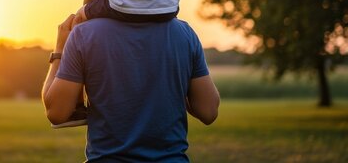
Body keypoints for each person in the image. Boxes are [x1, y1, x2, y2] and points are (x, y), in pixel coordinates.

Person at [42, 14, 220, 162]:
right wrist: (171, 77)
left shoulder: (84, 33)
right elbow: (209, 111)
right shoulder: (184, 33)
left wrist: (59, 50)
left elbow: (57, 113)